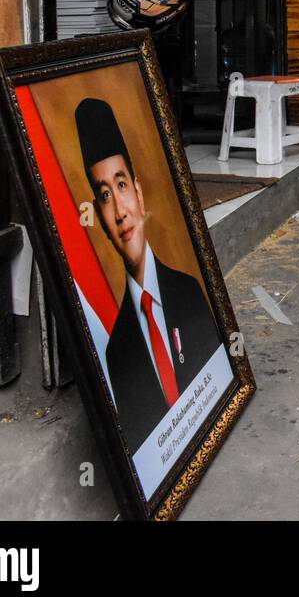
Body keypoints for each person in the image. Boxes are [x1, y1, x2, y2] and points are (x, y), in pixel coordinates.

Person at [76, 97, 223, 450]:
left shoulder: (188, 292)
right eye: (105, 194)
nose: (120, 212)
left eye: (122, 185)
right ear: (98, 214)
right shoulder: (118, 353)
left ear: (139, 195)